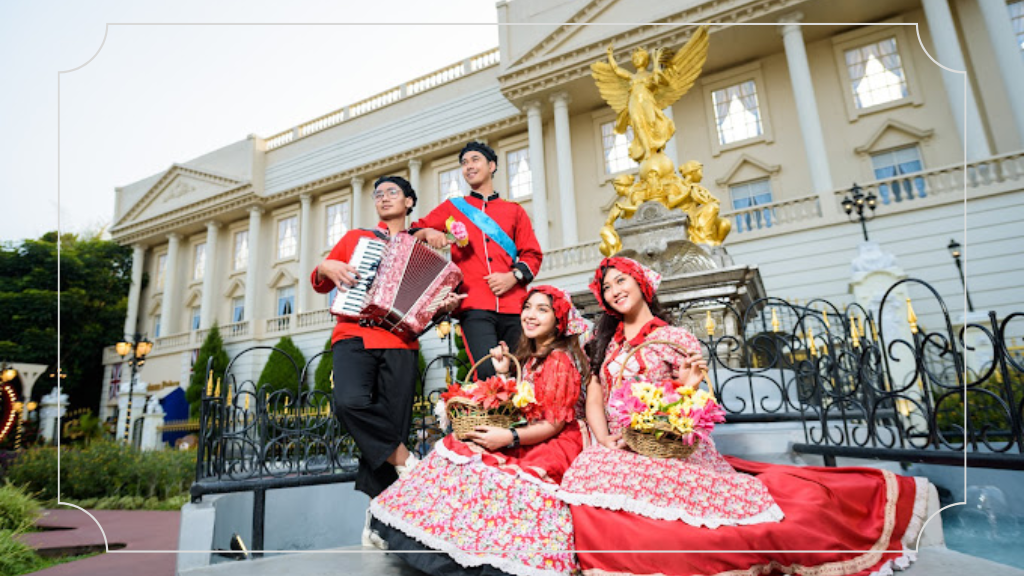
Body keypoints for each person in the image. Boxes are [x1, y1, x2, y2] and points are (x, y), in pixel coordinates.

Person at [557, 256, 929, 576]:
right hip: (617, 442)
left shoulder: (676, 338)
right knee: (590, 469)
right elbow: (595, 393)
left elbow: (686, 405)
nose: (614, 290)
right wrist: (604, 439)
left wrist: (688, 385)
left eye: (621, 280)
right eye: (607, 287)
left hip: (662, 441)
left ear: (642, 283)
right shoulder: (606, 343)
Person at [370, 285, 589, 576]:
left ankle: (484, 553)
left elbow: (554, 423)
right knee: (457, 448)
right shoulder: (533, 355)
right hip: (529, 430)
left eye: (542, 309)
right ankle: (443, 540)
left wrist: (509, 437)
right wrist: (503, 372)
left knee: (494, 472)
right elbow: (524, 401)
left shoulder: (558, 360)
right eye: (527, 307)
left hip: (552, 439)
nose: (530, 315)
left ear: (558, 320)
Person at [310, 175, 464, 547]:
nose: (383, 197)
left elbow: (429, 308)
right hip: (355, 333)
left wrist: (444, 305)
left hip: (401, 342)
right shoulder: (357, 239)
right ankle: (407, 461)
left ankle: (377, 523)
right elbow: (320, 280)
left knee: (392, 427)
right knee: (349, 403)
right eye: (378, 194)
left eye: (392, 192)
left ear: (409, 201)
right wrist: (326, 267)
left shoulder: (423, 245)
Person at [412, 141, 543, 380]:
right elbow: (413, 231)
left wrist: (512, 277)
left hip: (514, 305)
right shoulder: (453, 207)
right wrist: (429, 232)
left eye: (475, 160)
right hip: (474, 305)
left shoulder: (514, 211)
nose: (469, 166)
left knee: (521, 373)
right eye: (464, 163)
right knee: (486, 373)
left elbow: (532, 255)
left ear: (491, 166)